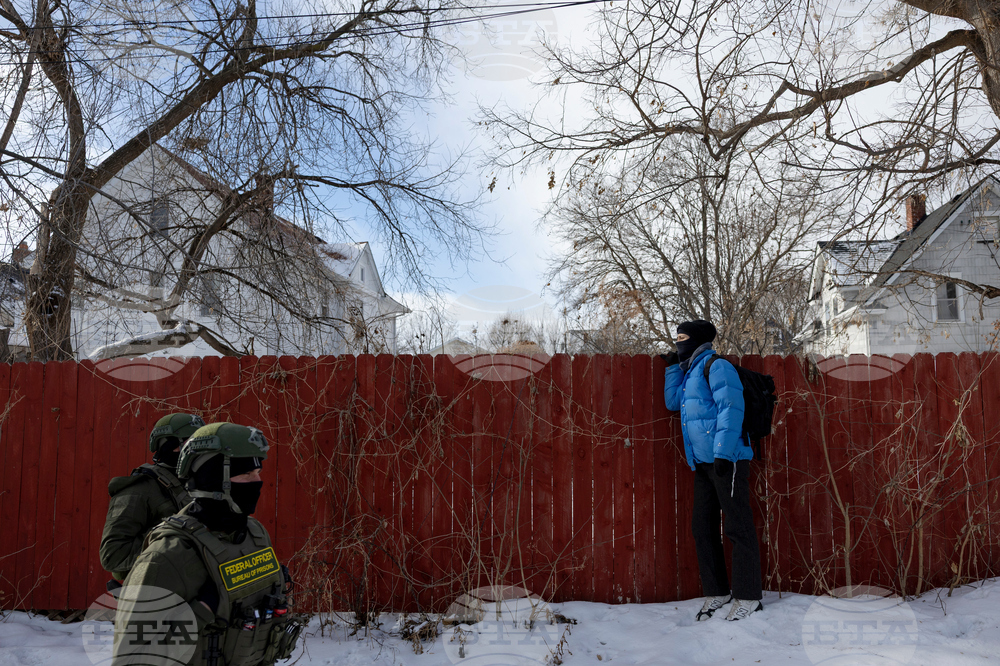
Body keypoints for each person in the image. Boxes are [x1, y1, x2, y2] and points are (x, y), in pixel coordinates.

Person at [113, 422, 302, 665]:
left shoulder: (254, 534)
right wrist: (202, 611)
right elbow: (134, 657)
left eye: (258, 472)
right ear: (214, 479)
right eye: (246, 474)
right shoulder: (166, 558)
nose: (257, 481)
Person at [662, 320, 763, 621]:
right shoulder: (689, 372)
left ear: (698, 340)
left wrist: (722, 452)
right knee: (702, 527)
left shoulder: (717, 366)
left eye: (683, 338)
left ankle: (748, 597)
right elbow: (673, 403)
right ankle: (718, 591)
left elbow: (731, 409)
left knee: (737, 526)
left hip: (727, 460)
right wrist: (672, 368)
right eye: (677, 338)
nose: (678, 343)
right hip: (704, 463)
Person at [100, 412, 206, 584]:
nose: (199, 452)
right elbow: (113, 555)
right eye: (192, 444)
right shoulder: (139, 490)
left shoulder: (196, 483)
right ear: (171, 446)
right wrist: (173, 542)